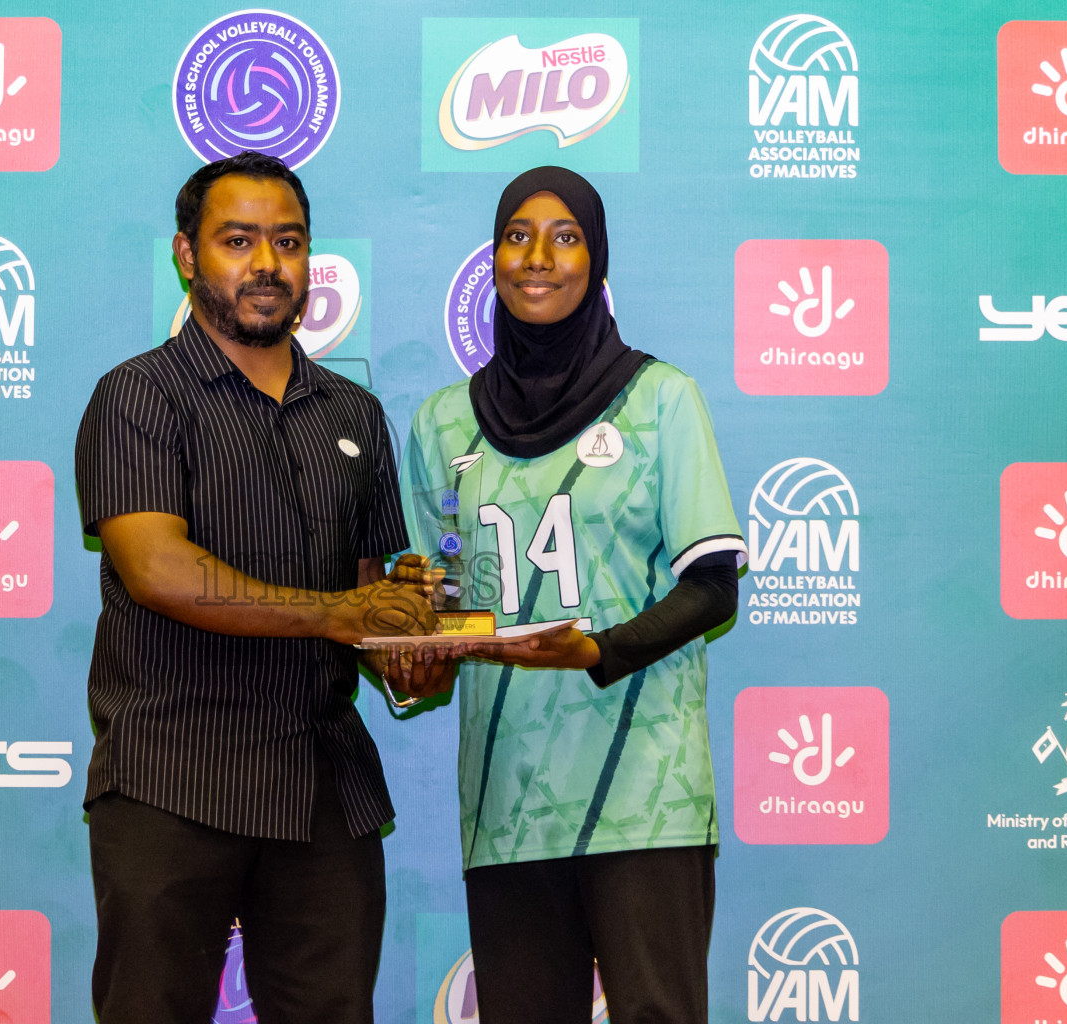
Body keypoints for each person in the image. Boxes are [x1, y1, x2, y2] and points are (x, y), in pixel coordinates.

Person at [73, 151, 435, 1024]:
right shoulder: (137, 398)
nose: (266, 264)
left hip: (323, 787)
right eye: (238, 240)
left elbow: (370, 606)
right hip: (172, 777)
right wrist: (341, 615)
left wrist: (418, 648)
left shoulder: (354, 414)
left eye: (288, 242)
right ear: (187, 256)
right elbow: (158, 570)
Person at [399, 166, 746, 1024]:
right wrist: (413, 653)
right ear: (493, 256)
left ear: (596, 260)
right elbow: (435, 606)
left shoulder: (661, 399)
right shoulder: (442, 422)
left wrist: (597, 650)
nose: (538, 257)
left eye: (565, 237)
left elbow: (711, 589)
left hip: (647, 800)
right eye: (517, 235)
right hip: (506, 798)